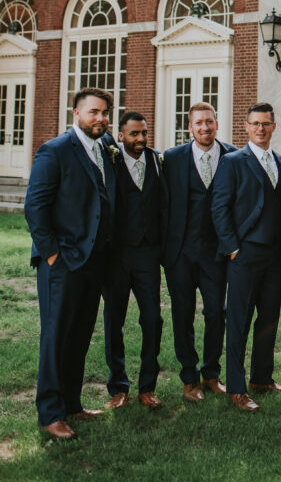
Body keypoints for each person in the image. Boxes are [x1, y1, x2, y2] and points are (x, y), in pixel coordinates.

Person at [24, 87, 118, 440]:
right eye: (94, 112)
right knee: (56, 336)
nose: (101, 118)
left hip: (95, 261)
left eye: (105, 112)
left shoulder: (105, 149)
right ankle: (50, 412)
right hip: (62, 262)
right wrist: (52, 254)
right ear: (75, 113)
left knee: (79, 334)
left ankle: (72, 402)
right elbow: (35, 207)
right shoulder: (55, 150)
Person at [212, 102, 281, 412]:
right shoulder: (233, 162)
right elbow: (219, 208)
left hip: (274, 255)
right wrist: (232, 248)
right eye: (255, 123)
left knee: (269, 319)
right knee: (239, 321)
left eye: (266, 123)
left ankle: (262, 377)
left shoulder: (279, 161)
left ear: (273, 127)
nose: (261, 128)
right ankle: (236, 386)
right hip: (244, 255)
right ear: (245, 127)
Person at [162, 102, 236, 402]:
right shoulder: (172, 158)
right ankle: (189, 377)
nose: (204, 127)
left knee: (216, 313)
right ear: (189, 127)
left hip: (216, 252)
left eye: (209, 121)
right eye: (198, 123)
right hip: (180, 252)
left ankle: (211, 374)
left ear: (216, 123)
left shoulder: (233, 155)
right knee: (183, 314)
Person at [102, 112, 165, 410]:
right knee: (114, 321)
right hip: (115, 257)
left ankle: (147, 387)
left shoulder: (157, 161)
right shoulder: (109, 161)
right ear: (120, 135)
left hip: (148, 256)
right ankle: (118, 386)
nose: (140, 139)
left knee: (152, 319)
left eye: (144, 133)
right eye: (134, 134)